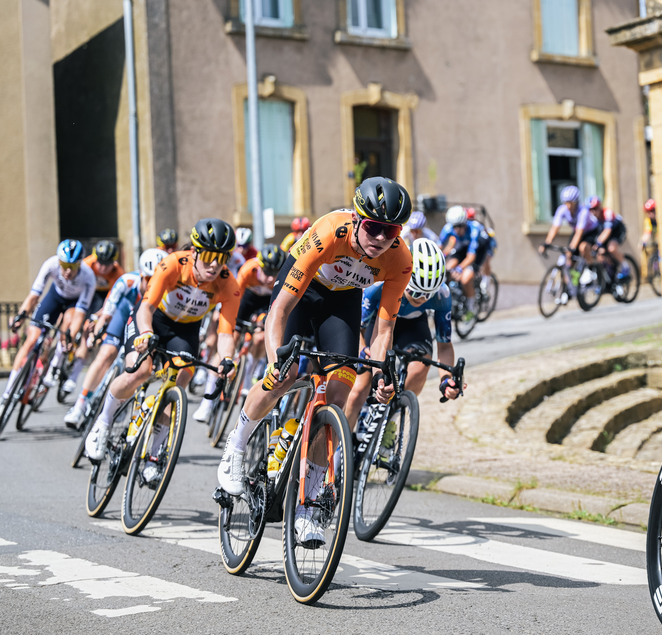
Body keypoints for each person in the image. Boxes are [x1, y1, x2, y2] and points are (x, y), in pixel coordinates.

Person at [216, 177, 415, 545]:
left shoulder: (400, 259)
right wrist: (277, 358)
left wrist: (382, 372)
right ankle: (237, 445)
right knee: (286, 373)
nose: (381, 238)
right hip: (302, 291)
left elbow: (383, 330)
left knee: (338, 394)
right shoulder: (328, 232)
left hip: (342, 302)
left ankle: (307, 507)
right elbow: (279, 310)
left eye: (391, 231)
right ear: (357, 220)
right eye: (374, 227)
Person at [84, 219, 241, 475]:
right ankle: (102, 423)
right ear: (195, 252)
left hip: (184, 331)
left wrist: (227, 360)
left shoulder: (228, 284)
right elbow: (146, 306)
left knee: (180, 381)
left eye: (222, 258)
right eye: (210, 256)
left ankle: (154, 456)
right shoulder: (172, 265)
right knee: (140, 370)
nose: (215, 264)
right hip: (153, 319)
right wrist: (145, 333)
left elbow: (226, 333)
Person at [345, 238, 463, 443]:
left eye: (428, 295)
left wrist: (446, 378)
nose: (422, 299)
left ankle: (390, 416)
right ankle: (338, 449)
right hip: (378, 323)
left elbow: (444, 345)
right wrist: (363, 350)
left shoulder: (443, 294)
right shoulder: (378, 285)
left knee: (420, 368)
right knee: (358, 390)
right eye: (416, 291)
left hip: (413, 325)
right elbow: (357, 329)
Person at [0, 240, 96, 418]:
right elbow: (34, 296)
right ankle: (6, 396)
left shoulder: (88, 277)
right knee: (32, 340)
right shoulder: (50, 264)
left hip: (74, 304)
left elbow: (79, 314)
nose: (68, 271)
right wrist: (20, 317)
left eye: (72, 266)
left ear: (80, 264)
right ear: (59, 262)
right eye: (64, 265)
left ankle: (56, 363)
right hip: (55, 297)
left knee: (68, 325)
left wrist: (71, 336)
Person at [62, 248, 166, 429]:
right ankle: (79, 404)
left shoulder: (166, 291)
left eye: (156, 280)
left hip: (144, 327)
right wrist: (98, 330)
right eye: (148, 279)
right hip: (123, 316)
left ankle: (121, 398)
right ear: (141, 274)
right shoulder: (126, 281)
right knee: (106, 353)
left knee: (139, 368)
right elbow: (108, 311)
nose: (152, 284)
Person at [192, 243, 284, 423]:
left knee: (259, 338)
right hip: (245, 300)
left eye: (274, 274)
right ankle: (206, 402)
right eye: (266, 272)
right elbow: (233, 296)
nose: (269, 278)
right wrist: (225, 314)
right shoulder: (248, 269)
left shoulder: (280, 278)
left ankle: (247, 374)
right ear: (260, 266)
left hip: (265, 303)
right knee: (228, 344)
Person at [46, 240, 125, 396]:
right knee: (69, 320)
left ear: (114, 263)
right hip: (83, 295)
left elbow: (111, 303)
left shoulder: (118, 275)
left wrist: (96, 318)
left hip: (103, 300)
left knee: (87, 333)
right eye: (99, 263)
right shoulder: (87, 265)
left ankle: (73, 377)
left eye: (107, 264)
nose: (102, 267)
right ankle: (56, 362)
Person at [440, 205, 491, 319]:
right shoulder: (448, 228)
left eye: (460, 226)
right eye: (454, 227)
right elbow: (440, 246)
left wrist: (460, 268)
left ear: (465, 223)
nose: (457, 230)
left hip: (478, 250)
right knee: (447, 268)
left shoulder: (474, 230)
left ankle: (471, 307)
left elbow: (471, 256)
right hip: (462, 246)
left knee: (465, 278)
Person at [539, 186, 600, 266]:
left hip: (591, 231)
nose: (569, 206)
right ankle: (571, 276)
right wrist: (547, 243)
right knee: (569, 258)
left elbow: (579, 232)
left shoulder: (583, 211)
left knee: (583, 247)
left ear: (576, 202)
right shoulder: (562, 210)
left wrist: (572, 248)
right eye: (566, 203)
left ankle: (590, 269)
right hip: (576, 231)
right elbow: (555, 228)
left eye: (571, 203)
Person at [589, 196, 630, 280]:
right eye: (591, 209)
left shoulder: (607, 213)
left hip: (617, 230)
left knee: (611, 248)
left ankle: (625, 266)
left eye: (595, 209)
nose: (593, 212)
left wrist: (598, 243)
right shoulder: (592, 218)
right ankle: (610, 271)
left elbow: (607, 231)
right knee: (600, 253)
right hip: (605, 233)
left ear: (600, 207)